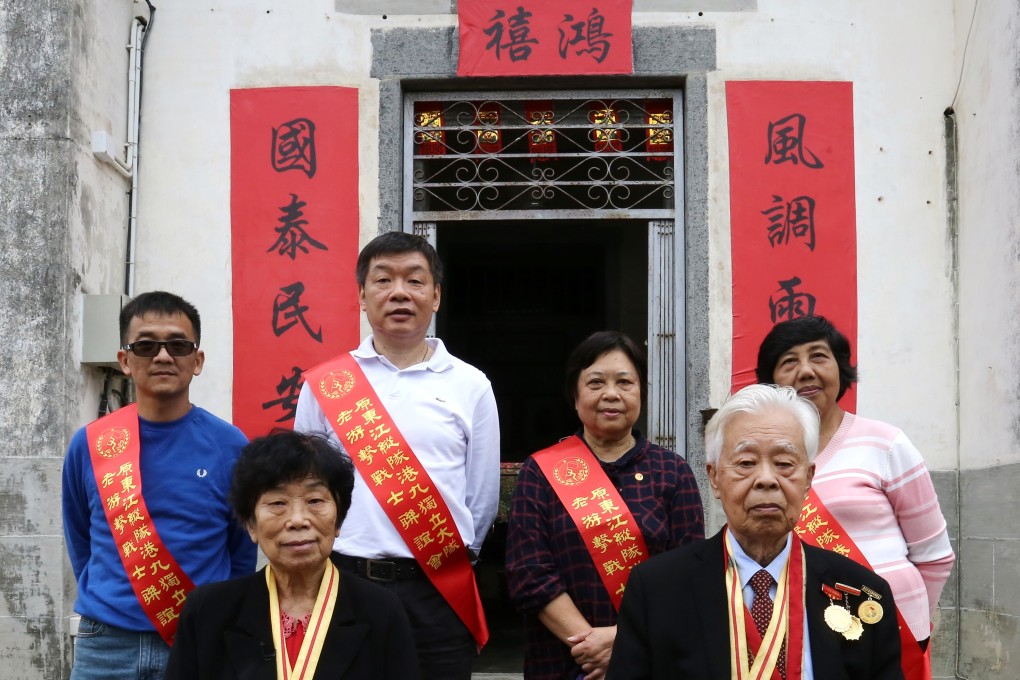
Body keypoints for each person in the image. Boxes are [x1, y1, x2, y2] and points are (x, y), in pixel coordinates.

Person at [293, 231, 500, 680]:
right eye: (384, 280)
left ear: (436, 296)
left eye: (415, 281)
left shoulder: (471, 385)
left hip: (438, 587)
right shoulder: (326, 385)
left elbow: (480, 498)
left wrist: (446, 556)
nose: (400, 292)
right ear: (362, 296)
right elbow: (304, 491)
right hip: (344, 582)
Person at [608, 384, 904, 680]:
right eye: (746, 463)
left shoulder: (864, 593)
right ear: (714, 477)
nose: (766, 479)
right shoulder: (656, 590)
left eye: (784, 464)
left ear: (808, 478)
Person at [62, 291, 256, 680]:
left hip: (199, 639)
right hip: (105, 643)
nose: (163, 356)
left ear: (196, 360)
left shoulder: (230, 445)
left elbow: (241, 550)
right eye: (146, 345)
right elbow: (80, 537)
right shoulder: (92, 443)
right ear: (125, 360)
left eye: (178, 345)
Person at [756, 315, 954, 678]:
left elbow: (935, 556)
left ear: (840, 368)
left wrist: (911, 617)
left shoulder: (886, 442)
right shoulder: (765, 458)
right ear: (771, 381)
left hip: (892, 628)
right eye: (789, 362)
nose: (805, 371)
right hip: (805, 626)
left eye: (818, 356)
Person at [505, 331, 705, 680]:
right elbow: (529, 574)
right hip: (564, 662)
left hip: (651, 661)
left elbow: (690, 578)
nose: (610, 394)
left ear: (641, 391)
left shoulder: (673, 472)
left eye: (625, 382)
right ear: (575, 393)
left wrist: (623, 643)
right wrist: (591, 648)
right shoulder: (541, 471)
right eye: (596, 382)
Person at [164, 430, 422, 680]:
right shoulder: (208, 610)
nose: (298, 520)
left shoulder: (381, 609)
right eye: (278, 503)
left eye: (315, 501)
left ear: (338, 520)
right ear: (251, 525)